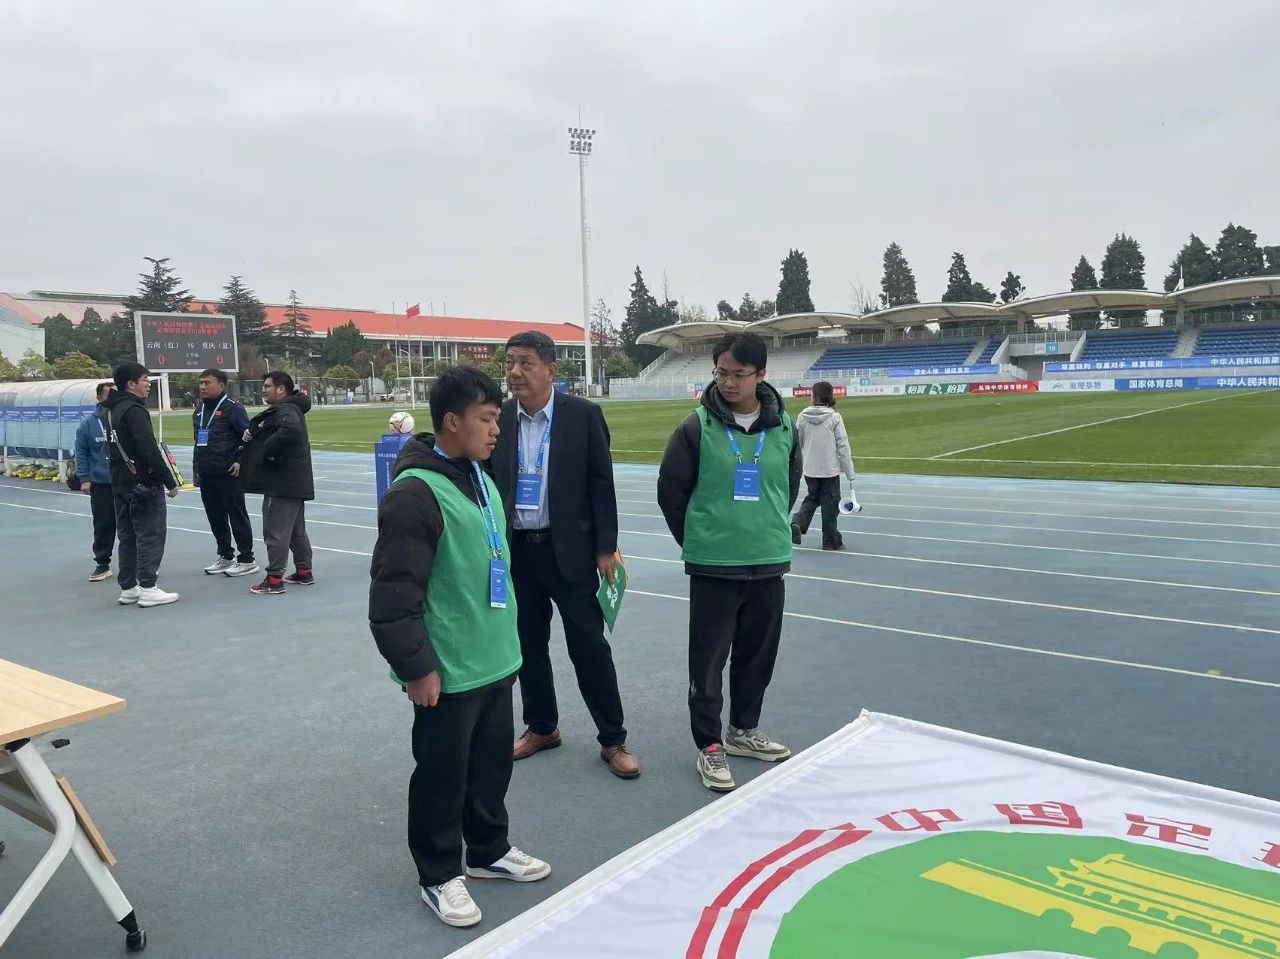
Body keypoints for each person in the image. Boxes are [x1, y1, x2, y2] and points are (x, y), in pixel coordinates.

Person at [369, 366, 550, 929]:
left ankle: (489, 850)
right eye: (487, 419)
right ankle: (439, 873)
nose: (497, 429)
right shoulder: (415, 494)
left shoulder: (479, 477)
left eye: (498, 419)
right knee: (442, 776)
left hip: (494, 657)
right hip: (447, 669)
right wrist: (416, 666)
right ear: (452, 421)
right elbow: (394, 594)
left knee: (490, 768)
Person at [489, 331, 638, 780]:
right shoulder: (499, 419)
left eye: (526, 363)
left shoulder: (583, 416)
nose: (515, 372)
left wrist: (605, 547)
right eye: (510, 363)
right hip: (518, 552)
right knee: (528, 646)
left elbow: (601, 483)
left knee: (589, 647)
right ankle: (542, 727)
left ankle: (613, 738)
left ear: (551, 369)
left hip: (569, 551)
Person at [657, 331, 801, 792]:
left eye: (738, 374)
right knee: (708, 662)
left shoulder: (784, 427)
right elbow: (670, 491)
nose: (728, 382)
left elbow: (788, 486)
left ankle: (742, 730)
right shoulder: (695, 427)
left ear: (761, 375)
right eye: (721, 372)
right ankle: (709, 744)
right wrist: (700, 540)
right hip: (714, 565)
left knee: (757, 656)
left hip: (768, 560)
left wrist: (767, 528)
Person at [104, 363, 180, 608]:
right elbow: (148, 447)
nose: (148, 384)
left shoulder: (110, 410)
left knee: (127, 537)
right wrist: (169, 480)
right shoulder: (135, 410)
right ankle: (148, 587)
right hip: (143, 483)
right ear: (131, 384)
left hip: (121, 482)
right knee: (150, 534)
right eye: (145, 379)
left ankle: (128, 587)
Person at [233, 371, 314, 595]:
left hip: (282, 481)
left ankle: (274, 579)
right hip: (294, 481)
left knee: (275, 530)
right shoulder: (289, 408)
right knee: (296, 530)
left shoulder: (287, 410)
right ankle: (304, 571)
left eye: (268, 386)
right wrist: (253, 433)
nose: (264, 390)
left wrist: (264, 450)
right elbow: (273, 427)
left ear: (281, 389)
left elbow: (289, 430)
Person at [193, 369, 258, 577]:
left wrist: (240, 460)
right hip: (207, 472)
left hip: (229, 472)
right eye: (201, 383)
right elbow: (198, 441)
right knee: (215, 516)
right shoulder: (199, 409)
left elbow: (249, 437)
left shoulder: (233, 409)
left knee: (236, 514)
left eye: (207, 383)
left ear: (221, 385)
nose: (203, 387)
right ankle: (225, 555)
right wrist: (196, 468)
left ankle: (247, 559)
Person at [790, 381, 856, 551]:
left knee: (813, 497)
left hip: (810, 469)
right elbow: (843, 445)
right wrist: (850, 472)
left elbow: (797, 442)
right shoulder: (834, 417)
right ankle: (831, 540)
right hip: (829, 469)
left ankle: (798, 522)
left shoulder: (803, 416)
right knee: (831, 503)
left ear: (815, 396)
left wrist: (800, 463)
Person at [74, 381, 116, 582]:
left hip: (126, 482)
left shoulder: (125, 417)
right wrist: (84, 479)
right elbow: (81, 453)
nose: (114, 397)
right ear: (99, 398)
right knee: (103, 525)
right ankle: (102, 563)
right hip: (102, 484)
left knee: (134, 524)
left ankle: (136, 563)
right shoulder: (88, 424)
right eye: (109, 394)